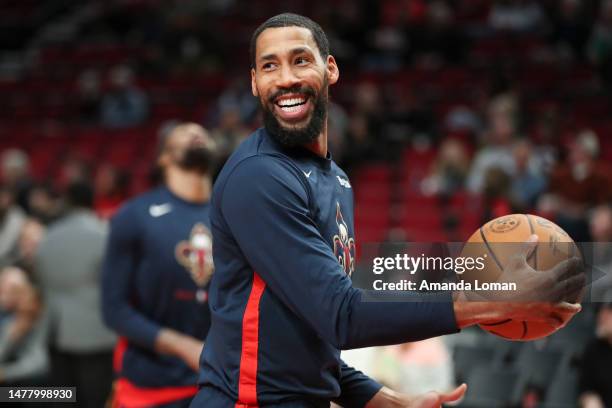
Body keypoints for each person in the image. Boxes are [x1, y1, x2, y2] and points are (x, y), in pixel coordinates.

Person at [191, 13, 584, 408]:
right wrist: (490, 300)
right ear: (255, 84)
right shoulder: (260, 177)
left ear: (330, 69)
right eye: (269, 66)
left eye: (300, 59)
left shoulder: (336, 180)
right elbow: (341, 315)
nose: (286, 78)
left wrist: (390, 401)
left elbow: (308, 338)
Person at [102, 122, 217, 407]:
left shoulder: (235, 214)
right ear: (163, 157)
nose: (196, 132)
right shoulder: (134, 215)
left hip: (221, 381)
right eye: (184, 132)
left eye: (202, 130)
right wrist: (182, 346)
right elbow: (114, 309)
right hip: (153, 385)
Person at [34, 181, 116, 408]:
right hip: (96, 333)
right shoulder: (104, 233)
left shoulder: (47, 236)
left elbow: (41, 279)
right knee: (97, 399)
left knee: (63, 398)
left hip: (55, 331)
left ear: (68, 202)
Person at [579, 302, 612, 408]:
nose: (602, 317)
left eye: (608, 313)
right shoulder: (593, 349)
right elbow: (586, 389)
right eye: (600, 312)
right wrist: (589, 401)